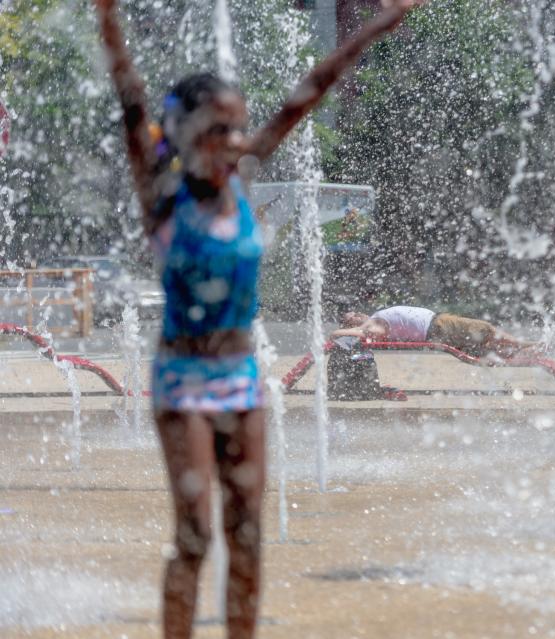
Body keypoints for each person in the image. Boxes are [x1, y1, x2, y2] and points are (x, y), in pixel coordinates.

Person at [93, 1, 424, 637]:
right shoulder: (161, 197)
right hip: (183, 383)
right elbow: (128, 90)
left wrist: (380, 23)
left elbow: (312, 91)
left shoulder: (243, 178)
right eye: (224, 131)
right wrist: (106, 14)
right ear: (187, 133)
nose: (240, 142)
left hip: (242, 380)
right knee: (194, 534)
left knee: (248, 534)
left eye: (243, 129)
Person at [332, 305, 543, 359]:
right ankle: (527, 346)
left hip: (437, 326)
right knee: (485, 329)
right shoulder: (368, 325)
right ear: (350, 322)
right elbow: (374, 334)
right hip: (438, 326)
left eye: (356, 313)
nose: (358, 314)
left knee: (482, 344)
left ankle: (520, 351)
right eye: (352, 316)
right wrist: (341, 331)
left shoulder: (372, 319)